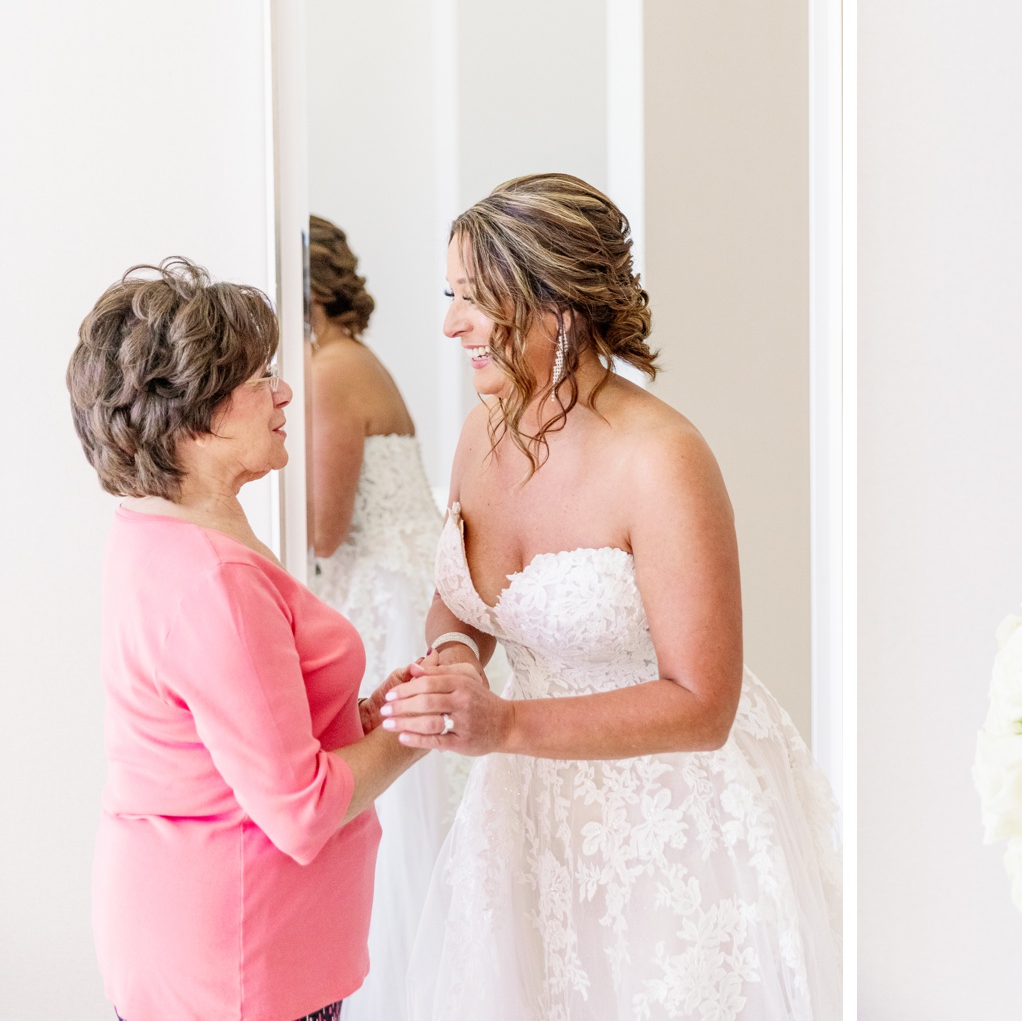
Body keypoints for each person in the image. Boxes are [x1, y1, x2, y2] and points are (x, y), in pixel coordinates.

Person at [377, 173, 841, 1020]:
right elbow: (465, 603)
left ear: (558, 306)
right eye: (452, 296)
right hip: (523, 807)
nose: (450, 324)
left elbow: (703, 704)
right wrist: (454, 669)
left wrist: (506, 722)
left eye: (476, 300)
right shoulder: (484, 428)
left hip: (668, 824)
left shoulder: (661, 459)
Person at [68, 258, 420, 1021]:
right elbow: (300, 810)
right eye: (261, 376)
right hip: (237, 965)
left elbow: (230, 740)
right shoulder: (215, 580)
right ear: (192, 414)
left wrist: (354, 719)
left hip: (202, 942)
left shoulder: (156, 533)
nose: (286, 391)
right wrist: (415, 731)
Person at [305, 215, 463, 1021]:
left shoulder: (332, 370)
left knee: (396, 821)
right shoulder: (350, 360)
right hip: (388, 588)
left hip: (388, 604)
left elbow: (323, 530)